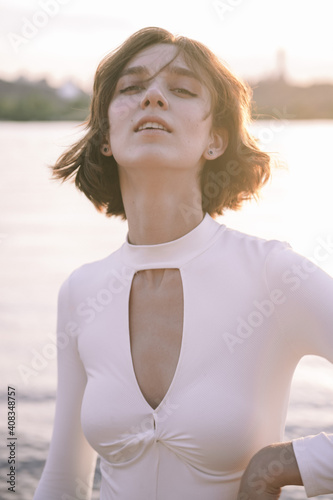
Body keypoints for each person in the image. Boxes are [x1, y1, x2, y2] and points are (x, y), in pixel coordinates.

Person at [33, 27, 333, 500]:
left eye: (181, 89)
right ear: (107, 136)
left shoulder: (274, 275)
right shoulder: (80, 292)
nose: (152, 97)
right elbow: (64, 482)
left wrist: (285, 464)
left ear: (215, 141)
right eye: (132, 88)